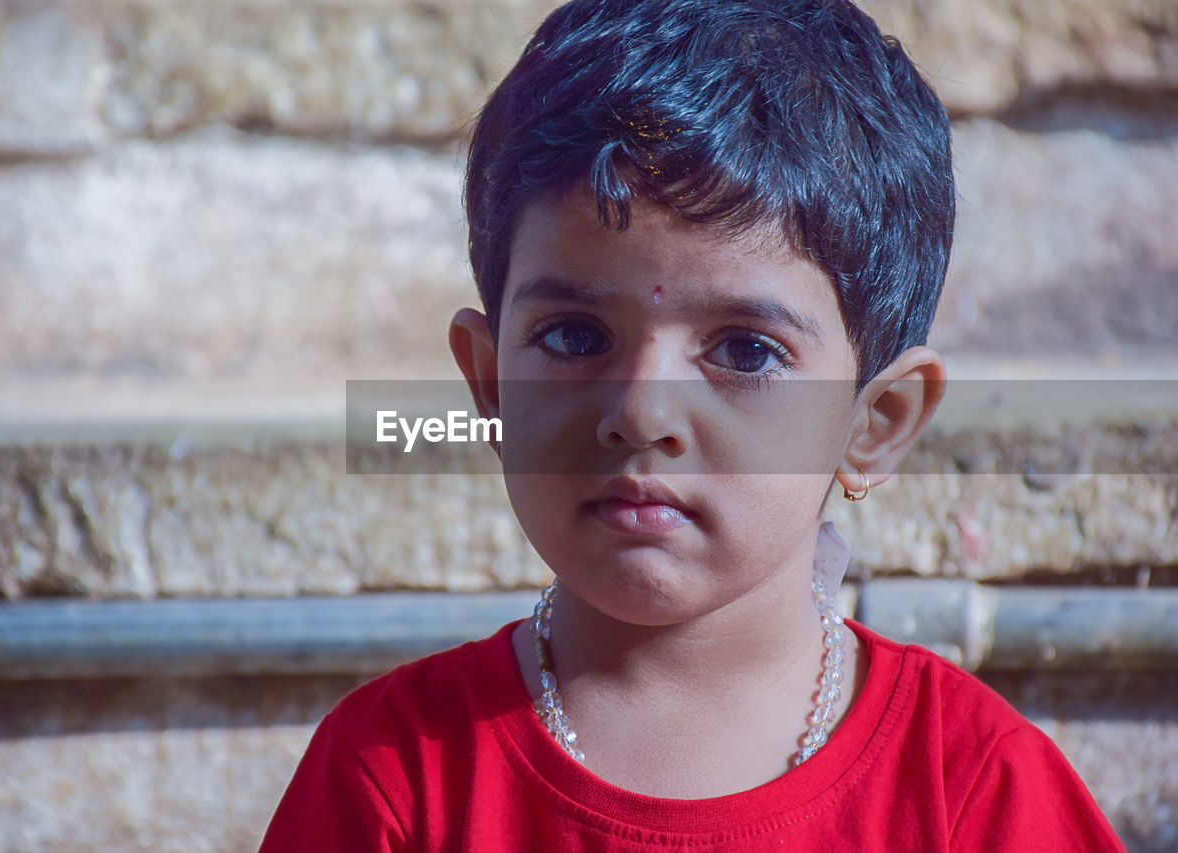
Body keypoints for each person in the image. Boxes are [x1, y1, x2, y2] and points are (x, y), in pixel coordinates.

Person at [261, 0, 1124, 848]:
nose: (641, 411)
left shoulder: (976, 792)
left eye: (746, 352)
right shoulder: (394, 777)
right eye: (572, 337)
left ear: (877, 422)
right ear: (490, 385)